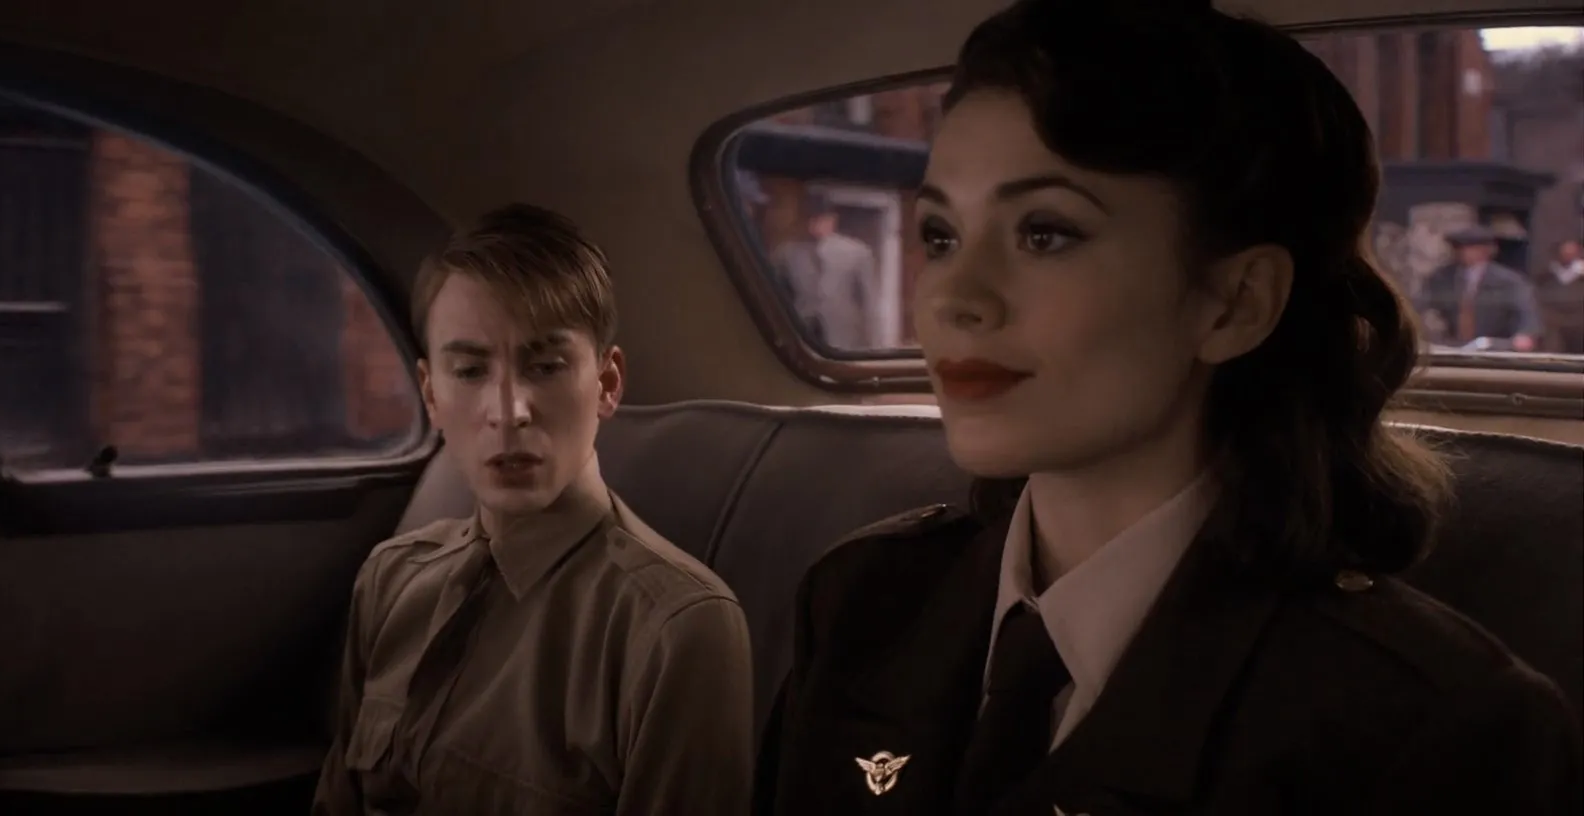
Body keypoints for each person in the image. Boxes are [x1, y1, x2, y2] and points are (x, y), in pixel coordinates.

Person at [754, 2, 1583, 814]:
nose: (952, 299)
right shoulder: (863, 599)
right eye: (940, 236)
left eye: (1044, 233)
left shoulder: (1434, 728)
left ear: (1235, 302)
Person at [311, 204, 753, 815]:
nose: (509, 410)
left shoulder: (673, 629)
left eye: (545, 367)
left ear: (606, 383)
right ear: (431, 395)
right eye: (470, 370)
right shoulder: (391, 579)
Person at [770, 191, 881, 351]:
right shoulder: (788, 253)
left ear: (833, 220)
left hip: (843, 338)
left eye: (821, 219)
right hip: (802, 336)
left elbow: (870, 301)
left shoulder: (857, 252)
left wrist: (875, 346)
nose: (814, 226)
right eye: (810, 219)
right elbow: (777, 295)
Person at [1417, 225, 1542, 351]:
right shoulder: (1441, 278)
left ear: (1488, 250)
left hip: (1493, 347)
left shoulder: (1510, 281)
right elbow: (1420, 304)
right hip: (1451, 345)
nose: (1463, 252)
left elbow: (1526, 313)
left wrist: (1525, 334)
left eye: (1470, 247)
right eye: (1459, 247)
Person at [1533, 238, 1584, 353]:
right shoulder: (1545, 275)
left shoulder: (1581, 274)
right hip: (1553, 322)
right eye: (1565, 252)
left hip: (1580, 321)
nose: (1568, 255)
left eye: (1572, 252)